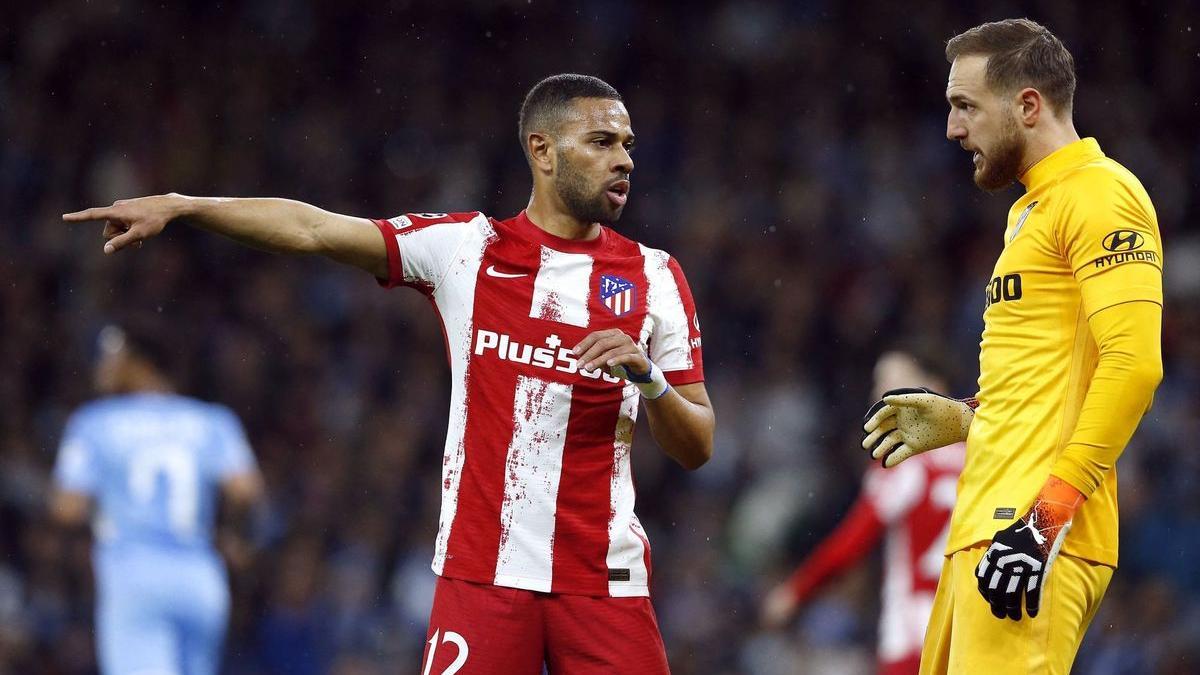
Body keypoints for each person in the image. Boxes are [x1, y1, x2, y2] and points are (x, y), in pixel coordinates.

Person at [64, 73, 714, 674]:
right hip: (482, 579)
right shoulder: (466, 247)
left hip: (606, 582)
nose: (624, 158)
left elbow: (697, 444)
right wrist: (186, 205)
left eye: (627, 144)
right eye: (601, 141)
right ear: (543, 151)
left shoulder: (655, 278)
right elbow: (314, 229)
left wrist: (650, 378)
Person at [861, 18, 1163, 675]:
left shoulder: (1102, 193)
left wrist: (1044, 522)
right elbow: (1052, 374)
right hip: (983, 530)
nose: (952, 129)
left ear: (1028, 105)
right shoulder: (1031, 211)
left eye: (965, 106)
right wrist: (970, 415)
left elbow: (1134, 363)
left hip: (1029, 536)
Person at [50, 325, 264, 675]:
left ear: (143, 364)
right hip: (202, 578)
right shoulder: (212, 421)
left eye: (113, 356)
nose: (103, 366)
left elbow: (67, 509)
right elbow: (247, 490)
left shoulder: (94, 423)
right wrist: (235, 537)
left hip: (133, 574)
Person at [763, 350, 964, 675]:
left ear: (933, 386)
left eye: (891, 382)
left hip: (915, 634)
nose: (879, 395)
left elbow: (854, 539)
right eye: (877, 384)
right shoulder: (980, 456)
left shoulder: (904, 462)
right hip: (974, 628)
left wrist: (796, 590)